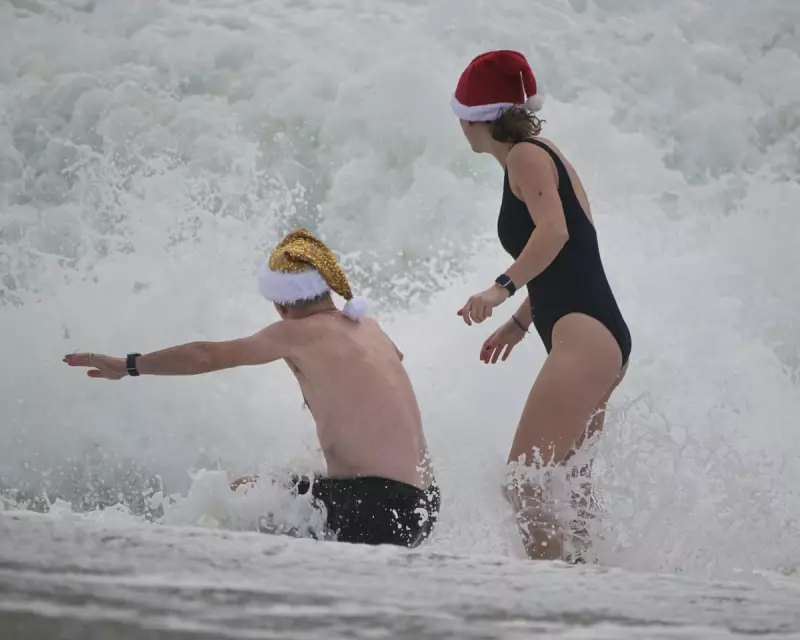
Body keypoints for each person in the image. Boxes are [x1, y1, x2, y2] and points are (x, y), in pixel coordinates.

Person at [63, 228, 439, 548]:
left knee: (241, 494)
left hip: (379, 508)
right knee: (282, 489)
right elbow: (386, 374)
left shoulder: (296, 333)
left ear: (280, 303)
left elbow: (204, 356)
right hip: (423, 504)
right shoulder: (368, 328)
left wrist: (128, 366)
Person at [450, 50, 632, 561]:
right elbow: (572, 254)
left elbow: (556, 234)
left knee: (524, 484)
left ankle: (554, 603)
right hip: (594, 334)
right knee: (570, 492)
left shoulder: (528, 157)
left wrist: (499, 288)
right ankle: (599, 585)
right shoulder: (537, 154)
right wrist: (520, 321)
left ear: (474, 118)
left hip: (585, 337)